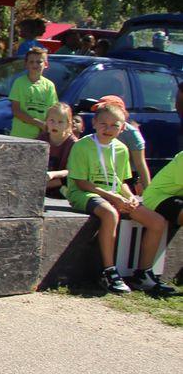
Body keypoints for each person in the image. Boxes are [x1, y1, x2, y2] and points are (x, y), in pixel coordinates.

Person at [63, 102, 175, 295]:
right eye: (103, 124)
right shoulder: (82, 145)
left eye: (114, 125)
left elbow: (120, 181)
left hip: (113, 194)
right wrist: (113, 197)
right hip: (85, 194)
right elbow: (81, 183)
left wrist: (130, 197)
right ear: (94, 123)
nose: (108, 129)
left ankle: (143, 274)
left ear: (122, 128)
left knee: (157, 221)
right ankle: (109, 271)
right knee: (110, 213)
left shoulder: (122, 149)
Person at [93, 95, 151, 195]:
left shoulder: (131, 134)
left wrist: (149, 193)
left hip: (126, 178)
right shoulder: (100, 127)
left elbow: (140, 164)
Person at [8, 47, 58, 139]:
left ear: (46, 64)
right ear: (26, 64)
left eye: (39, 62)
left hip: (41, 136)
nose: (35, 64)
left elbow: (52, 111)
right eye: (31, 62)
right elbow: (16, 110)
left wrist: (47, 127)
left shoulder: (49, 85)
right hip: (20, 135)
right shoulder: (19, 83)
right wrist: (38, 123)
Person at [44, 103, 80, 197]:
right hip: (42, 182)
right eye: (52, 120)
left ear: (68, 124)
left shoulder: (74, 144)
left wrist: (53, 174)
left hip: (63, 186)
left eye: (60, 122)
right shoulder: (42, 139)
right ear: (46, 121)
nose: (55, 125)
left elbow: (73, 171)